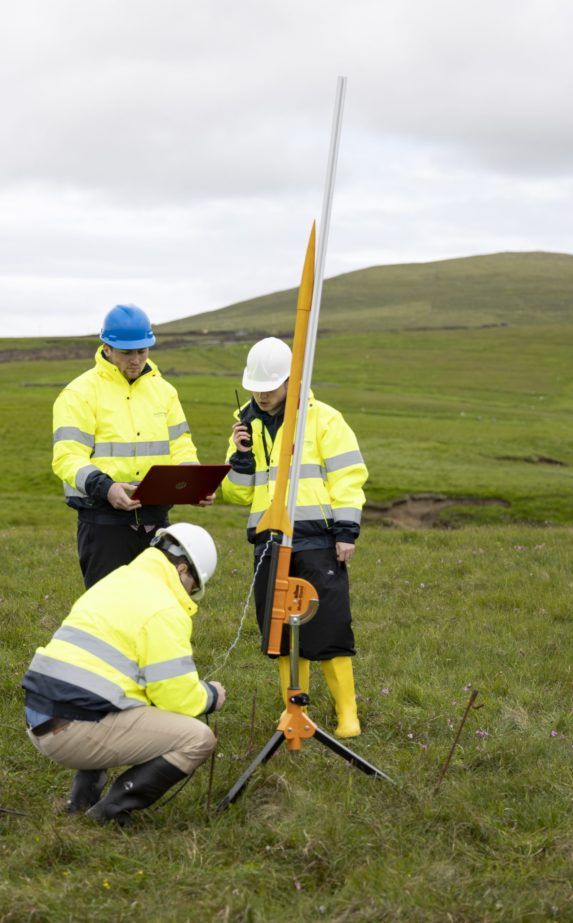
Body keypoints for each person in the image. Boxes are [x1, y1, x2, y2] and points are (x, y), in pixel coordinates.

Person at [21, 522, 225, 826]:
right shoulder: (165, 608)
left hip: (39, 716)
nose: (192, 595)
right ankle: (108, 813)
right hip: (71, 731)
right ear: (183, 570)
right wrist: (211, 696)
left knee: (122, 698)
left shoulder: (117, 580)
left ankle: (81, 801)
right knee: (198, 738)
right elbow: (176, 697)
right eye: (194, 587)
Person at [221, 337, 368, 738]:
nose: (261, 395)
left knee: (329, 625)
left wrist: (346, 530)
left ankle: (347, 714)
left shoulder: (324, 419)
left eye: (269, 388)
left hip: (317, 539)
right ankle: (293, 709)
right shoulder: (244, 425)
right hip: (269, 539)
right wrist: (240, 458)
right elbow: (235, 493)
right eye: (256, 387)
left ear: (291, 380)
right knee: (280, 630)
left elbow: (348, 477)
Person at [52, 303, 212, 588]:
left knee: (156, 609)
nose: (136, 360)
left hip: (157, 521)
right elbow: (67, 457)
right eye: (127, 352)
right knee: (107, 612)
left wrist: (193, 481)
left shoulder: (164, 391)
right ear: (107, 348)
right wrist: (107, 488)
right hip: (104, 523)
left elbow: (181, 446)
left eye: (143, 350)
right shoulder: (79, 393)